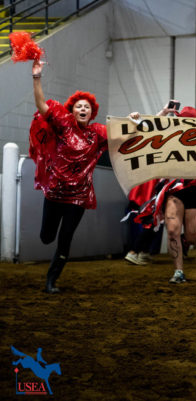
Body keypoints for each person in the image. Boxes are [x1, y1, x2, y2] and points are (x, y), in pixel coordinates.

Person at [29, 59, 107, 294]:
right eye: (79, 106)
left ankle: (51, 281)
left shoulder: (98, 133)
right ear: (72, 110)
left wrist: (158, 114)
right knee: (46, 238)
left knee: (65, 240)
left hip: (78, 198)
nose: (83, 109)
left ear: (92, 113)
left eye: (87, 107)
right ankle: (51, 276)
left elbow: (126, 132)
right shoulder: (64, 124)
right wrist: (37, 77)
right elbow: (42, 105)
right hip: (55, 194)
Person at [129, 99, 196, 284]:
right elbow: (147, 130)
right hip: (174, 188)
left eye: (190, 121)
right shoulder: (169, 136)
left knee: (193, 237)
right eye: (183, 120)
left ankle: (183, 247)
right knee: (172, 231)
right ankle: (178, 271)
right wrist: (157, 113)